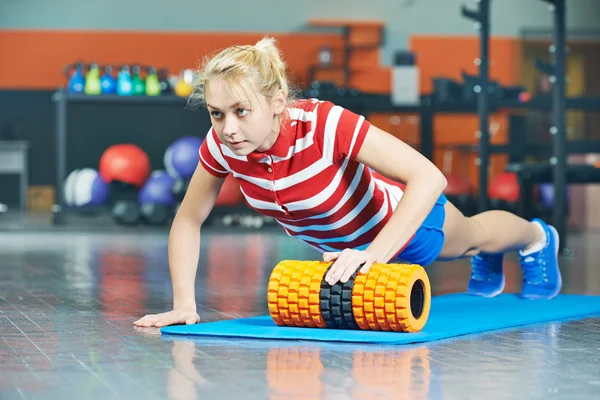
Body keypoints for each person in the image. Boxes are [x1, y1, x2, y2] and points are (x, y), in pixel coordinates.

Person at [133, 37, 562, 328]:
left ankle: (536, 238)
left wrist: (374, 255)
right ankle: (492, 253)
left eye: (241, 111)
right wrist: (184, 304)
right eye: (216, 113)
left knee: (472, 237)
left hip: (405, 223)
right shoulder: (225, 145)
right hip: (354, 257)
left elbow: (428, 176)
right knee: (473, 240)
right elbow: (188, 219)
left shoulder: (323, 123)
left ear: (277, 100)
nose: (227, 127)